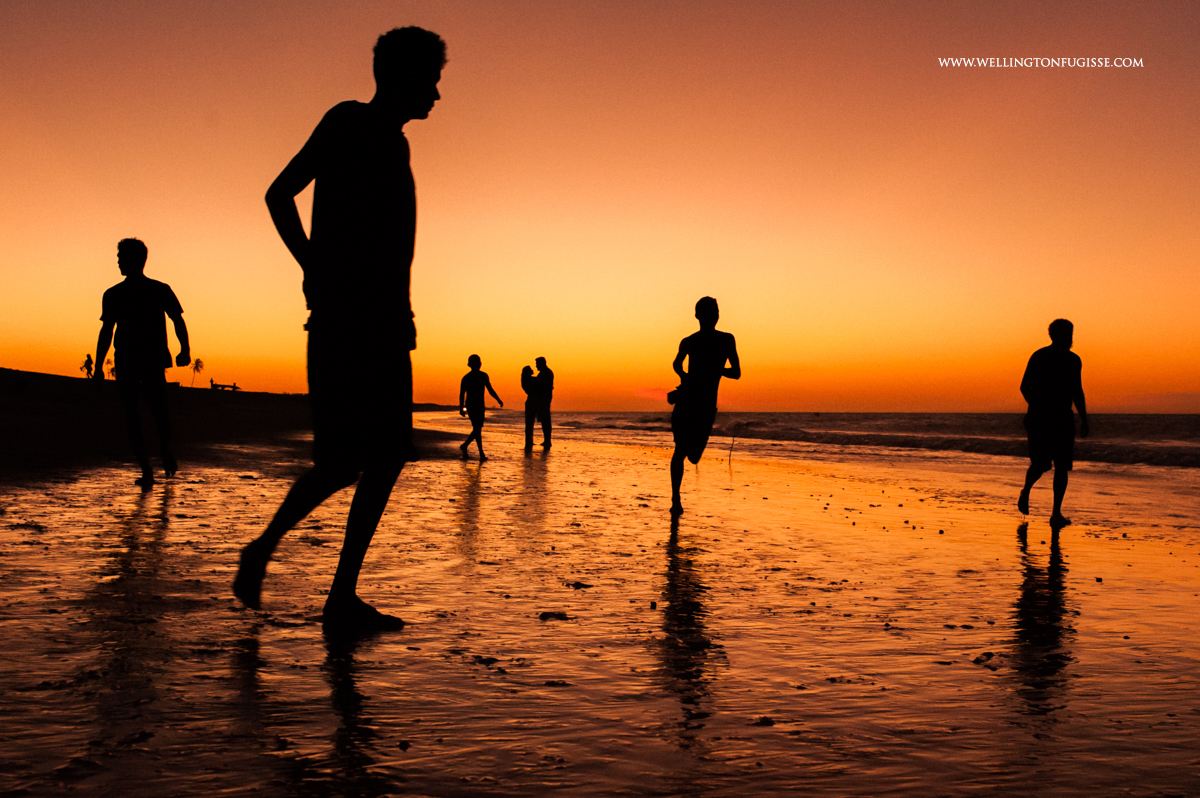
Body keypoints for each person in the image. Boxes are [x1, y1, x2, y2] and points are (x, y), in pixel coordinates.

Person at [233, 27, 447, 632]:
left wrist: (400, 312)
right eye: (430, 81)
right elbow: (280, 194)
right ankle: (289, 566)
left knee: (371, 459)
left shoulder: (394, 144)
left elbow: (390, 244)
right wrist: (310, 264)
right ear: (403, 77)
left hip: (378, 321)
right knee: (357, 460)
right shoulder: (350, 122)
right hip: (352, 322)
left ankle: (328, 589)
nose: (435, 94)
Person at [93, 238, 191, 487]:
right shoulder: (115, 294)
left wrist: (185, 349)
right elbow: (107, 332)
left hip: (149, 360)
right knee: (136, 416)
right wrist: (97, 366)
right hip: (129, 361)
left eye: (121, 256)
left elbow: (177, 320)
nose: (117, 261)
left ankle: (161, 455)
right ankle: (147, 468)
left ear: (136, 260)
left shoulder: (158, 290)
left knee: (155, 414)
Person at [669, 297, 740, 515]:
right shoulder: (689, 341)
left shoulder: (727, 340)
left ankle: (676, 497)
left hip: (707, 406)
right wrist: (686, 377)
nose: (713, 316)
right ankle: (676, 500)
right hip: (687, 401)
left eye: (715, 312)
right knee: (680, 451)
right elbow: (676, 364)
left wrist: (716, 370)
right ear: (698, 316)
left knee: (694, 455)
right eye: (709, 312)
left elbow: (736, 373)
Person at [1018, 318, 1088, 528]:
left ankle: (1056, 513)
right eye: (1067, 334)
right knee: (1042, 464)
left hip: (1063, 419)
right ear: (1055, 336)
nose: (1070, 338)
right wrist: (1039, 407)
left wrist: (1084, 418)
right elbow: (1024, 386)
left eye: (1071, 334)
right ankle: (1026, 491)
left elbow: (1077, 391)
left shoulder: (1074, 360)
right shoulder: (1040, 356)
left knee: (1062, 467)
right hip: (1042, 419)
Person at [459, 354, 503, 460]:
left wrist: (498, 399)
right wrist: (461, 408)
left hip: (479, 406)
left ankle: (466, 446)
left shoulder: (481, 376)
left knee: (477, 428)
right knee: (477, 428)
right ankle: (481, 453)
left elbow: (490, 389)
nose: (478, 364)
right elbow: (462, 394)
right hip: (472, 405)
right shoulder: (467, 378)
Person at [529, 356, 553, 449]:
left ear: (542, 363)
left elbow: (540, 384)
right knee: (544, 419)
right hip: (544, 398)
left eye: (537, 364)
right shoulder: (544, 373)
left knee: (545, 420)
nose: (536, 366)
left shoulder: (546, 373)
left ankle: (547, 440)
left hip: (544, 399)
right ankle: (547, 440)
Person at [521, 365, 537, 451]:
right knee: (529, 423)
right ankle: (529, 440)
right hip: (532, 402)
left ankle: (529, 440)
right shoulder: (529, 380)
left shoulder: (526, 380)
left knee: (529, 423)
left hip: (530, 402)